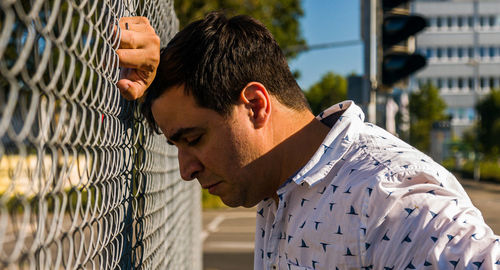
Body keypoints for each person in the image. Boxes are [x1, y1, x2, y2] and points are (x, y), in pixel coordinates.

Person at [117, 12, 500, 270]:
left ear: (255, 106)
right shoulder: (280, 182)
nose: (186, 170)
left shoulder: (387, 195)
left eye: (194, 139)